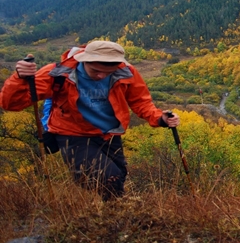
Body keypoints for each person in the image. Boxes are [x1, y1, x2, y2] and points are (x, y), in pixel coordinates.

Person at [0, 41, 180, 201]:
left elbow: (141, 102)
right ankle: (113, 220)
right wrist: (19, 78)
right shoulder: (57, 73)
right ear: (83, 60)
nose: (101, 76)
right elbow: (10, 103)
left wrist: (160, 118)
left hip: (109, 134)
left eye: (107, 72)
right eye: (96, 71)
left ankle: (107, 218)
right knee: (110, 179)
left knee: (119, 176)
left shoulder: (126, 72)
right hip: (72, 135)